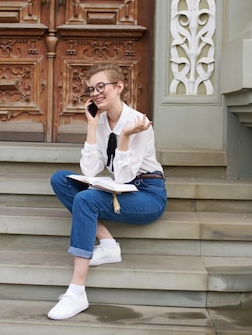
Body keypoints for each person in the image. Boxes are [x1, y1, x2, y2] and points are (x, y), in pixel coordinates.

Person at [47, 62, 167, 320]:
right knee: (60, 179)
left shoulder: (138, 123)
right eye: (91, 89)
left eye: (101, 86)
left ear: (119, 87)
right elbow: (90, 170)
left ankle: (77, 290)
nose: (95, 93)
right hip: (124, 188)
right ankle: (108, 243)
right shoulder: (100, 121)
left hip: (148, 194)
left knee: (87, 199)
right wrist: (92, 125)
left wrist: (124, 136)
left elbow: (125, 175)